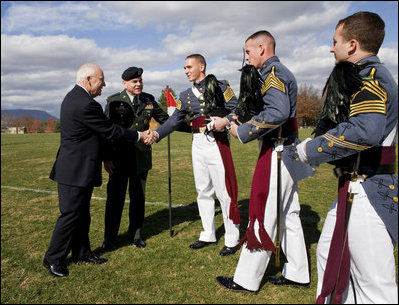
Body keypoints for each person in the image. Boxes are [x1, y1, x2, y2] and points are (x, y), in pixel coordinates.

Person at [296, 12, 397, 304]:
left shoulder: (369, 77)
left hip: (369, 187)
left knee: (374, 284)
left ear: (352, 45)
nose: (331, 48)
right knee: (329, 252)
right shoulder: (363, 74)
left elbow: (365, 131)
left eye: (334, 41)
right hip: (355, 186)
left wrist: (310, 150)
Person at [215, 30, 315, 293]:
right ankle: (297, 272)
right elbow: (254, 105)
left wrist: (244, 131)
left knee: (264, 214)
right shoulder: (271, 73)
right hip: (283, 149)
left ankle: (247, 279)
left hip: (278, 150)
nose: (246, 57)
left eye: (248, 51)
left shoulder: (274, 74)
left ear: (262, 48)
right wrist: (229, 119)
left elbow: (278, 112)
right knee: (288, 214)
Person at [43, 63, 150, 277]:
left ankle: (83, 252)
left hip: (78, 168)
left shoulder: (75, 97)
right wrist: (139, 135)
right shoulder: (85, 104)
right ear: (88, 79)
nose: (104, 84)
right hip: (74, 169)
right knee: (71, 214)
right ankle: (53, 259)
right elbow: (110, 130)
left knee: (82, 214)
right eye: (101, 80)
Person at [145, 54, 241, 256]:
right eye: (184, 68)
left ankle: (232, 237)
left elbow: (237, 109)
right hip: (197, 143)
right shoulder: (185, 94)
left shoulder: (222, 86)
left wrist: (223, 120)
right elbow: (174, 120)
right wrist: (156, 134)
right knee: (203, 189)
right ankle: (208, 234)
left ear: (202, 66)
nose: (186, 70)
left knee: (224, 191)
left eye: (189, 67)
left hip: (218, 141)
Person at [101, 67, 169, 250]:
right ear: (125, 84)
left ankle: (136, 235)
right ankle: (110, 238)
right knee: (115, 200)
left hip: (141, 158)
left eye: (140, 80)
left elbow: (166, 119)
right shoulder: (114, 101)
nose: (139, 84)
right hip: (119, 158)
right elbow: (106, 131)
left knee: (138, 199)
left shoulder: (148, 100)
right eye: (134, 81)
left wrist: (156, 133)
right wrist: (106, 158)